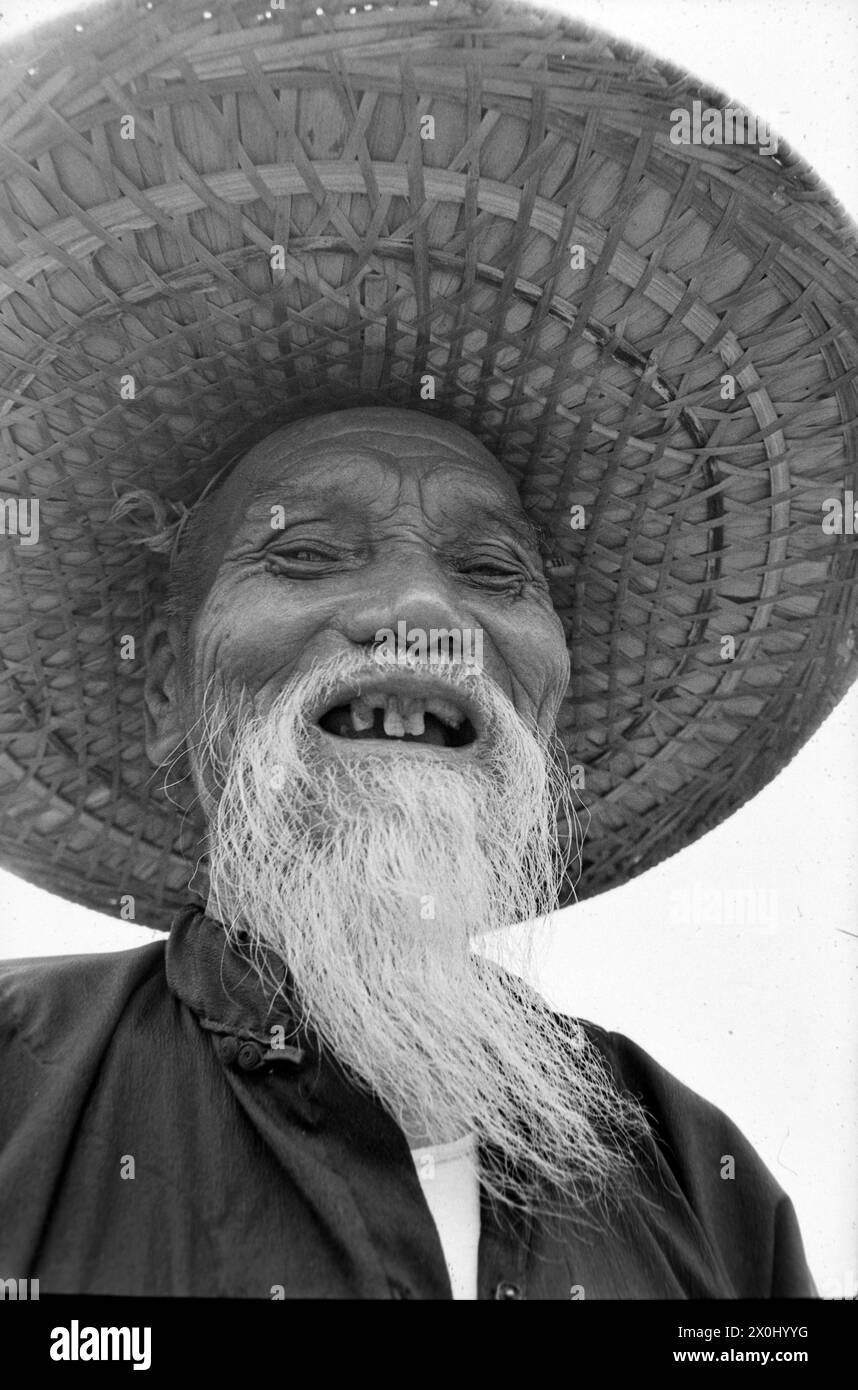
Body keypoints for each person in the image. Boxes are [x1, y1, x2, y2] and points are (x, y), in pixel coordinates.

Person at [1, 0, 854, 1300]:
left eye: (491, 569)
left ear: (547, 702)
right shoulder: (17, 1089)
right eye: (303, 554)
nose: (420, 617)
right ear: (173, 690)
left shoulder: (698, 1187)